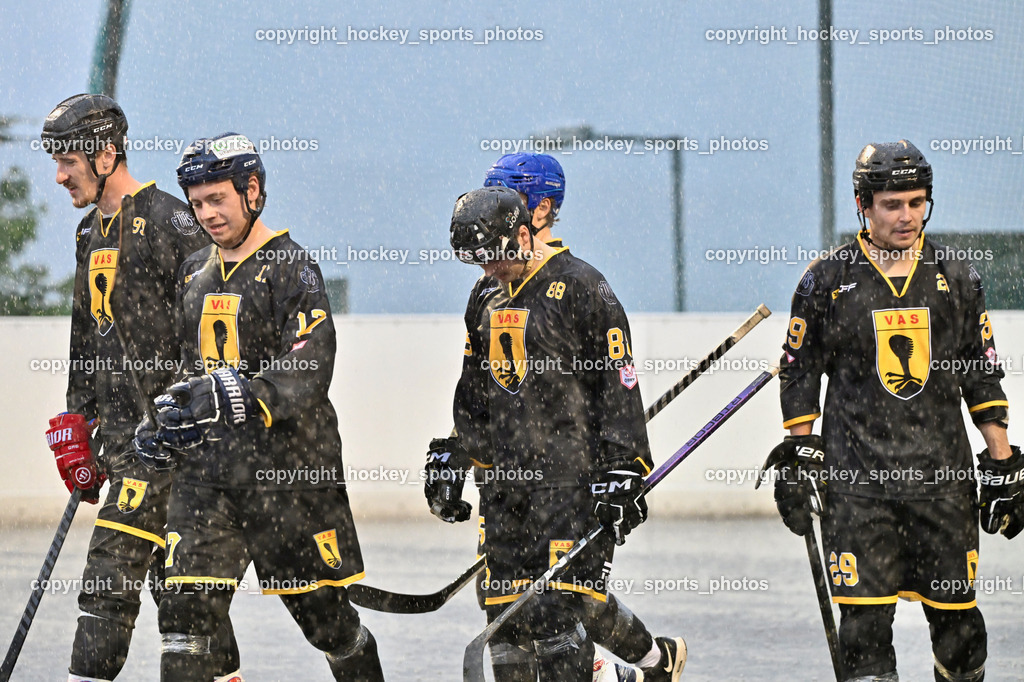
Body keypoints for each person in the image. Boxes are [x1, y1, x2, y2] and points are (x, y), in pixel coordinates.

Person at [767, 140, 1023, 681]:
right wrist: (801, 450)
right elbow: (799, 369)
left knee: (960, 636)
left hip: (943, 483)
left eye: (916, 202)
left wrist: (1001, 460)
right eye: (892, 204)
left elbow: (980, 369)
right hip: (858, 486)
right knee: (862, 634)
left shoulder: (957, 277)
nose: (907, 217)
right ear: (864, 205)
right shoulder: (826, 281)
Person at [134, 132, 385, 681]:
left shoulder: (294, 267)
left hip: (287, 478)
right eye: (197, 203)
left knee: (326, 623)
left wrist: (234, 394)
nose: (206, 214)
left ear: (253, 191)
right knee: (184, 619)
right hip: (208, 480)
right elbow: (188, 368)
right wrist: (161, 422)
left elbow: (310, 365)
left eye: (217, 199)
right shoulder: (192, 272)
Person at [424, 185, 684, 681]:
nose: (487, 271)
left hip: (571, 487)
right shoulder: (484, 295)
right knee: (505, 623)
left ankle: (628, 669)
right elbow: (477, 392)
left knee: (558, 616)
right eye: (476, 263)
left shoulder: (584, 286)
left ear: (524, 234)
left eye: (495, 257)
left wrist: (626, 468)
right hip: (503, 490)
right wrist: (455, 454)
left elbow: (618, 383)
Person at [39, 94, 242, 682]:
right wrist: (76, 422)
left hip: (169, 449)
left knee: (107, 585)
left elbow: (211, 324)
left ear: (104, 155)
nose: (58, 176)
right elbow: (87, 337)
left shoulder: (172, 221)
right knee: (183, 603)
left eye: (67, 161)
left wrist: (183, 417)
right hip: (123, 442)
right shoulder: (89, 232)